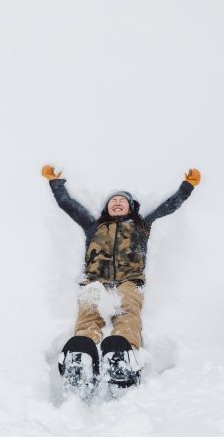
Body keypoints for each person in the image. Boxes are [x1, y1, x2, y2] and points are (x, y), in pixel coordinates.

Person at [42, 164, 201, 391]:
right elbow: (69, 206)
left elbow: (168, 207)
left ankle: (123, 352)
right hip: (96, 280)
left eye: (122, 201)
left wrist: (187, 188)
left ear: (131, 207)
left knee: (128, 311)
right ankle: (82, 353)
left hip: (130, 280)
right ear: (107, 208)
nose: (117, 203)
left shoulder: (141, 226)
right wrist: (55, 183)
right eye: (113, 201)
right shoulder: (93, 225)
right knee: (89, 310)